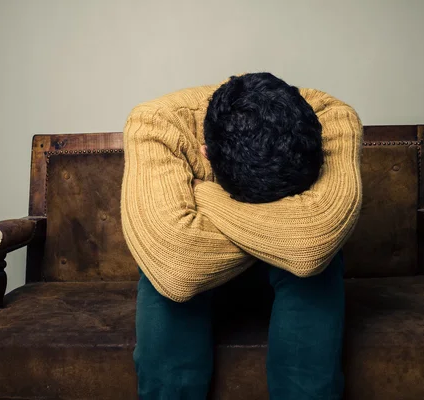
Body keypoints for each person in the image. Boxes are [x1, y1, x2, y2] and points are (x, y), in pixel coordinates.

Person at [121, 72, 363, 399]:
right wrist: (284, 224)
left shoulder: (332, 119)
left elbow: (311, 247)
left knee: (319, 265)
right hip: (202, 276)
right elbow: (178, 269)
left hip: (288, 275)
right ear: (206, 153)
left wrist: (203, 195)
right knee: (163, 278)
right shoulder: (155, 124)